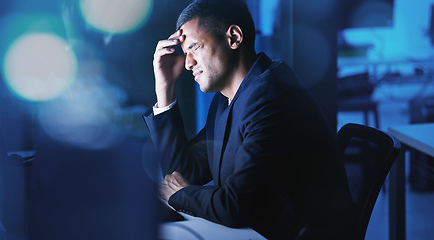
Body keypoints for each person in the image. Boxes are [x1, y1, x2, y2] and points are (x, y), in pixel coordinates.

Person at [143, 0, 355, 239]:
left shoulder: (272, 95)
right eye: (185, 53)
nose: (188, 63)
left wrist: (180, 194)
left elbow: (236, 205)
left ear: (233, 37)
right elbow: (183, 174)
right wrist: (165, 88)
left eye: (195, 47)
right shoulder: (226, 98)